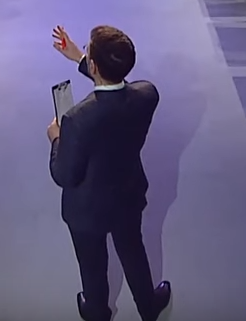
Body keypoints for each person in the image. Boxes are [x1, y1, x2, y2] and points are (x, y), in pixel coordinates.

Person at [48, 25, 172, 321]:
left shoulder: (76, 120)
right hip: (127, 195)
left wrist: (56, 139)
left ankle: (97, 312)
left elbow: (64, 175)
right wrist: (80, 58)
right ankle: (148, 306)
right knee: (133, 249)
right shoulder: (147, 95)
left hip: (86, 209)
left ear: (94, 66)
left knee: (92, 264)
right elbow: (118, 89)